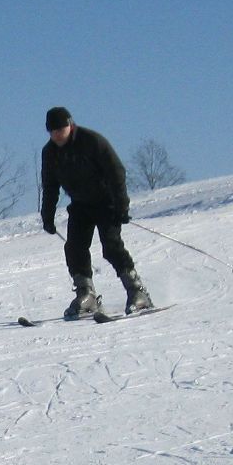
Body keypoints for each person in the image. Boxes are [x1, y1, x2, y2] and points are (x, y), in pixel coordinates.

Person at [40, 106, 153, 319]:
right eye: (52, 131)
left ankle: (137, 290)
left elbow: (116, 171)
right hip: (81, 205)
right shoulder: (50, 153)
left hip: (105, 202)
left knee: (111, 246)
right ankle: (86, 294)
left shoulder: (91, 141)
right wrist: (48, 215)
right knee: (74, 247)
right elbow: (50, 186)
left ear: (70, 125)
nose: (57, 134)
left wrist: (121, 205)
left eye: (61, 129)